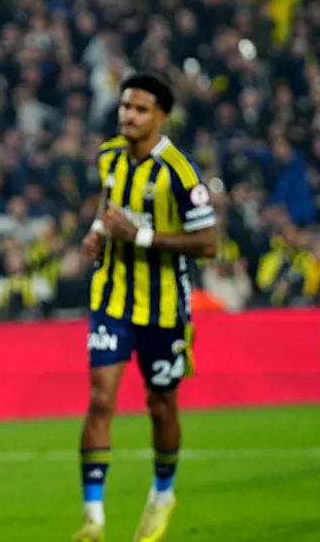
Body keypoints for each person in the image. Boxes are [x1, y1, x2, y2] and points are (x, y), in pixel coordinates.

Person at [74, 72, 218, 542]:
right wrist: (97, 232)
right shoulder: (109, 156)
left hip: (164, 307)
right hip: (112, 298)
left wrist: (140, 237)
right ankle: (93, 519)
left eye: (139, 109)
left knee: (161, 404)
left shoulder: (179, 171)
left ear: (161, 116)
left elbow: (209, 243)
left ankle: (162, 494)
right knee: (101, 399)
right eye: (125, 106)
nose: (129, 116)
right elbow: (108, 204)